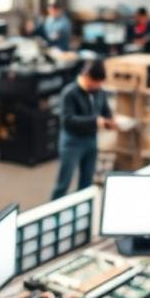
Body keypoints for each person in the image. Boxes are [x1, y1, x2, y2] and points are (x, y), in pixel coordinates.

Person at [51, 59, 116, 199]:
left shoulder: (99, 91)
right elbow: (67, 120)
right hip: (72, 142)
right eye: (96, 83)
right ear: (87, 76)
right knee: (63, 183)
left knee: (86, 182)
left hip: (91, 140)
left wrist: (110, 120)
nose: (98, 86)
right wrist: (96, 121)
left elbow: (105, 110)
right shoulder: (69, 93)